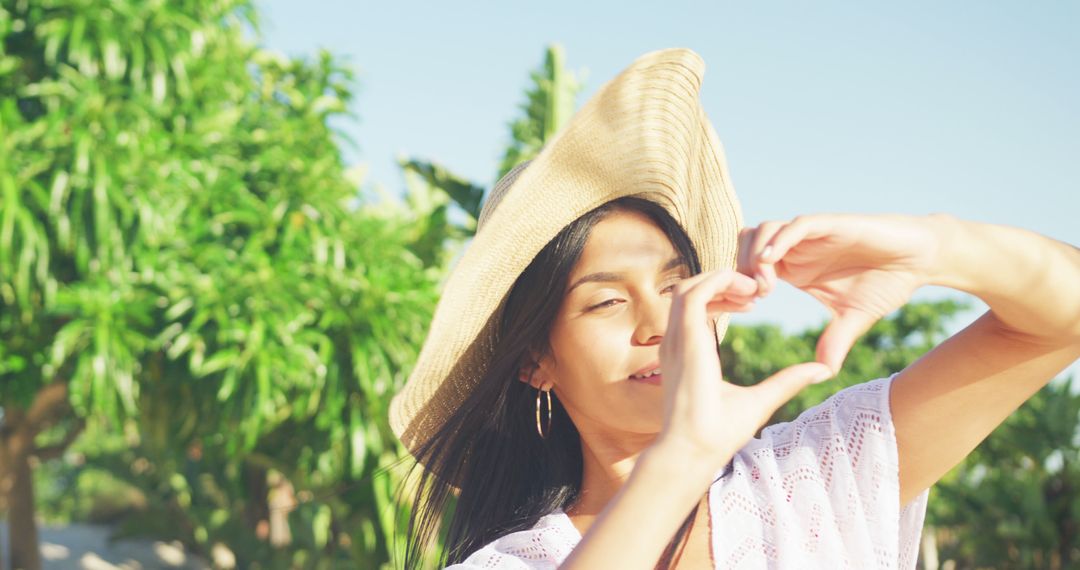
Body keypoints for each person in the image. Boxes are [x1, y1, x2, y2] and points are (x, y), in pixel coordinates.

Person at [387, 48, 1080, 569]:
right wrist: (683, 455)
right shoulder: (516, 561)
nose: (658, 324)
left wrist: (936, 244)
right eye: (606, 301)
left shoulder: (814, 474)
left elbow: (1063, 318)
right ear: (536, 360)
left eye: (675, 284)